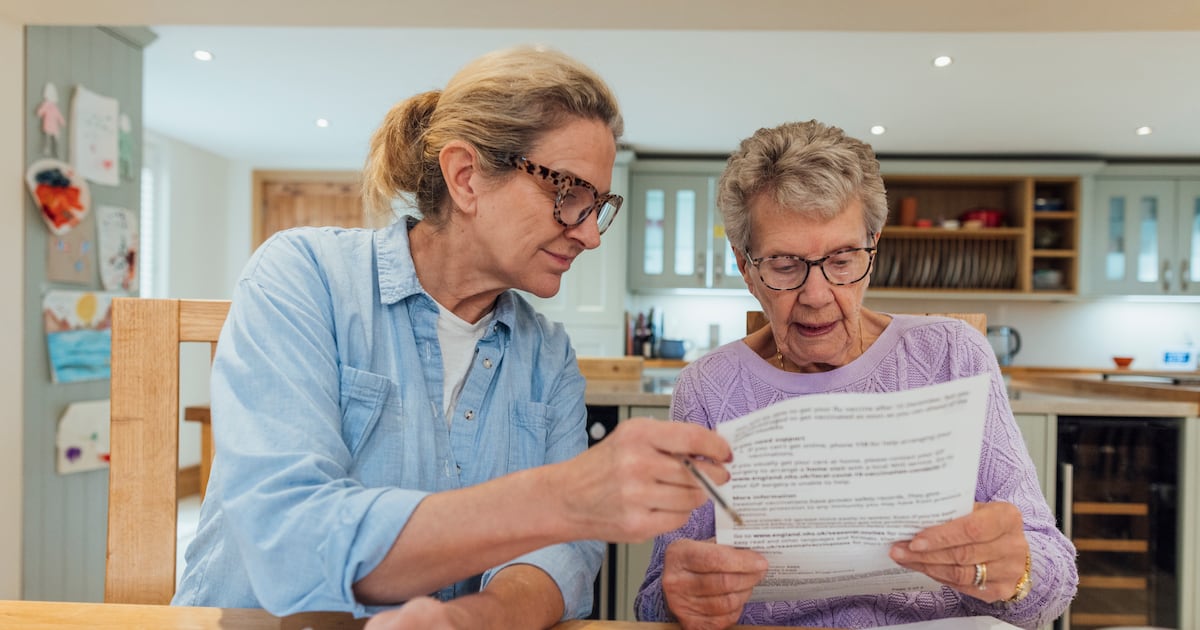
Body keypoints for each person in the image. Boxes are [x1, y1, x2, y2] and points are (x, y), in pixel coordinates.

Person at [172, 45, 732, 629]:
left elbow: (558, 561)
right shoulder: (305, 276)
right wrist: (565, 496)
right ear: (466, 177)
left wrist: (469, 619)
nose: (590, 235)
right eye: (569, 195)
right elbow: (290, 543)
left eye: (598, 205)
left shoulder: (547, 356)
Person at [634, 120, 1077, 629]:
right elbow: (653, 602)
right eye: (783, 265)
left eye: (842, 260)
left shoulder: (954, 358)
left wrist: (1016, 570)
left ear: (874, 247)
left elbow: (1053, 584)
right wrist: (682, 597)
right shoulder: (708, 389)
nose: (817, 294)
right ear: (745, 266)